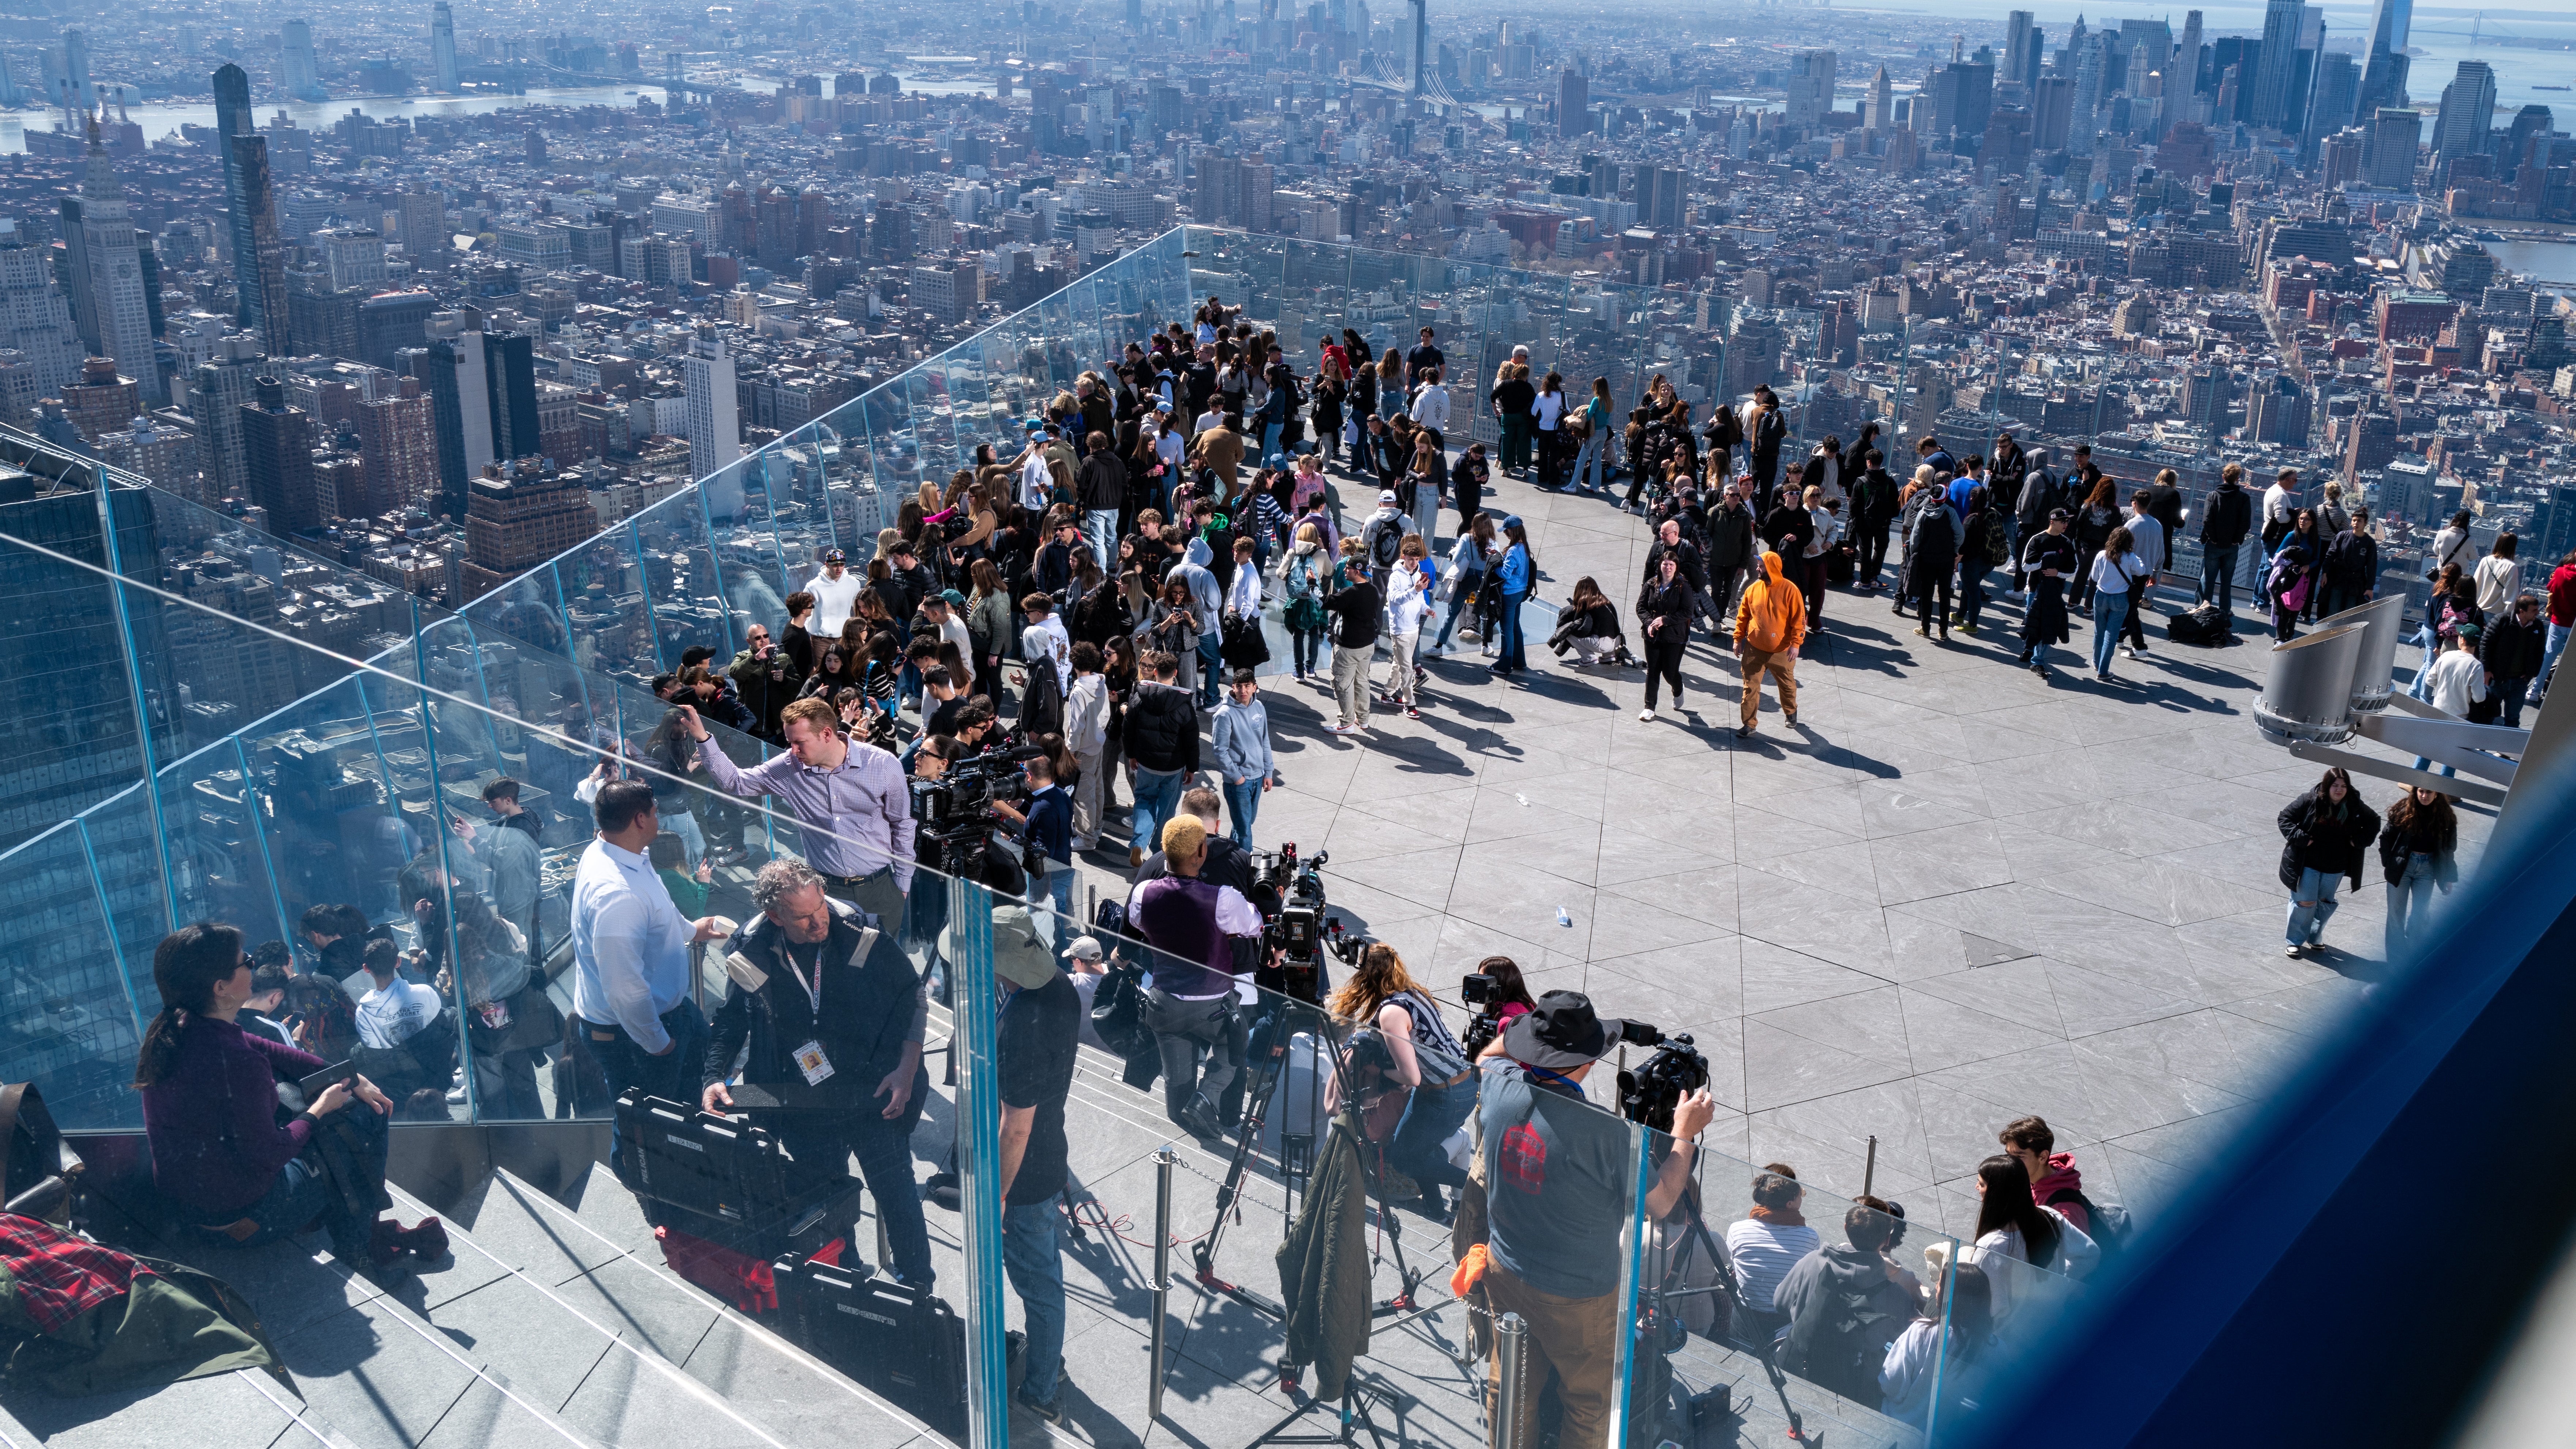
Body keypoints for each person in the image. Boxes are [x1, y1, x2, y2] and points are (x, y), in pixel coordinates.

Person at [136, 922, 440, 1283]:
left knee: (338, 1119)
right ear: (220, 987)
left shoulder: (176, 1026)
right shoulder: (236, 1062)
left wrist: (344, 1074)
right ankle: (359, 1249)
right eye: (244, 961)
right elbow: (269, 1153)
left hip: (186, 1212)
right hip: (247, 1219)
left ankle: (358, 1229)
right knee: (362, 1120)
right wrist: (319, 1109)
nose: (252, 965)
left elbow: (261, 1045)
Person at [1479, 992, 1716, 1449]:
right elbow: (1663, 1200)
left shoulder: (1496, 1080)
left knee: (1510, 1381)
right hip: (1578, 1294)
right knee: (1589, 1402)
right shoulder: (1606, 1133)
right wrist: (1684, 1133)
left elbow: (1493, 1049)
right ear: (1589, 1062)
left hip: (1505, 1268)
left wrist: (1604, 1030)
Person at [696, 858, 935, 1290]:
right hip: (803, 1102)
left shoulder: (858, 929)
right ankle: (848, 1278)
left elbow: (911, 996)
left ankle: (919, 1285)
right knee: (828, 1201)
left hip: (871, 1089)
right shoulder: (750, 950)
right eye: (803, 917)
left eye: (820, 906)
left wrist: (907, 1067)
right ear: (775, 917)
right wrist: (714, 1074)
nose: (818, 921)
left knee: (897, 1193)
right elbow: (732, 1020)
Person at [571, 781, 727, 1176]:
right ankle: (649, 1183)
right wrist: (658, 1043)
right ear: (640, 819)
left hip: (668, 1014)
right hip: (638, 1034)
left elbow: (656, 907)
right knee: (647, 1121)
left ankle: (692, 1162)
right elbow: (624, 987)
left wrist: (691, 930)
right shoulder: (616, 894)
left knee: (700, 1082)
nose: (659, 816)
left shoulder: (621, 853)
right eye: (655, 811)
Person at [679, 696, 916, 925]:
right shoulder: (790, 767)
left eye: (799, 743)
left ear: (826, 734)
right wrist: (703, 738)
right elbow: (736, 782)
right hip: (825, 894)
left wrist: (902, 887)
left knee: (882, 962)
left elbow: (903, 825)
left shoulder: (882, 764)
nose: (792, 750)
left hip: (881, 889)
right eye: (790, 742)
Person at [1126, 815, 1262, 1141]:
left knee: (1177, 1083)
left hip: (1164, 1004)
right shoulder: (1223, 899)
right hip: (1212, 1004)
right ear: (1201, 852)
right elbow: (1254, 924)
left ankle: (1183, 1123)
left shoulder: (1144, 892)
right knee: (1236, 1044)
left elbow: (1138, 922)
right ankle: (1206, 1098)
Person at [1327, 944, 1474, 1220]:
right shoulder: (1412, 994)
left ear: (1367, 979)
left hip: (1448, 1092)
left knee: (1407, 1158)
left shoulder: (1390, 1014)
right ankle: (1438, 1208)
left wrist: (1378, 1072)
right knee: (1413, 1150)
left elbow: (1411, 1077)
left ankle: (1479, 1189)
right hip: (1454, 1084)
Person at [1775, 1198, 1921, 1408]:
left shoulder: (1811, 1262)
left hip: (1800, 1363)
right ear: (1887, 1240)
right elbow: (1904, 1341)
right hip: (1852, 1384)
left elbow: (1780, 1303)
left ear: (1846, 1228)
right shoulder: (1897, 1296)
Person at [1966, 1154, 2098, 1330]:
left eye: (1982, 1184)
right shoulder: (2051, 1216)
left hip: (2012, 1342)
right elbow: (2090, 1254)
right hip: (2052, 1325)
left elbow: (1993, 1309)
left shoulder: (1990, 1246)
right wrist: (2056, 1285)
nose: (1977, 1187)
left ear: (1996, 1192)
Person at [2277, 766, 2381, 959]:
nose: (2339, 790)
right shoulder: (2309, 800)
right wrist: (2300, 837)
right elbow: (2285, 817)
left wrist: (2359, 841)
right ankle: (2295, 941)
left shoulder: (2354, 805)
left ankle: (2314, 936)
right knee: (2305, 902)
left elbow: (2374, 821)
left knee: (2325, 903)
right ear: (2327, 787)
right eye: (2335, 786)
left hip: (2336, 866)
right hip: (2307, 863)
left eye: (2343, 786)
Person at [1879, 1261, 1993, 1432]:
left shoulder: (1921, 1332)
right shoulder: (1998, 1350)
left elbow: (1891, 1384)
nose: (1936, 1288)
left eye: (1939, 1284)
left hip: (1901, 1430)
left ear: (1946, 1296)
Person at [1724, 1170, 1823, 1348]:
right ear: (1790, 1204)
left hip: (1744, 1316)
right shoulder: (1809, 1237)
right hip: (1783, 1321)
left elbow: (1732, 1266)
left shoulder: (1738, 1230)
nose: (1802, 1199)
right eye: (1800, 1195)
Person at [2378, 784, 2460, 957]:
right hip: (2403, 866)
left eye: (2429, 792)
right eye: (2421, 791)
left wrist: (2449, 877)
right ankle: (2396, 960)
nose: (2425, 796)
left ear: (2437, 793)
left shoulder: (2446, 817)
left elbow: (2449, 849)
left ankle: (2414, 954)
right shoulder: (2403, 810)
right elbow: (2386, 838)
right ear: (2415, 792)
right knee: (2396, 913)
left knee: (2420, 915)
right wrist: (2389, 862)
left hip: (2428, 869)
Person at [1735, 550, 1807, 739]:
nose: (1757, 569)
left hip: (1782, 651)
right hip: (1754, 649)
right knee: (1750, 688)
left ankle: (1791, 712)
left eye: (1761, 566)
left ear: (1772, 568)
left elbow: (1799, 620)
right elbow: (1743, 617)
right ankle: (1749, 724)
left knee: (1788, 686)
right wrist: (1737, 639)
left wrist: (1796, 644)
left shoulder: (1791, 590)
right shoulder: (1753, 589)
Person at [1211, 669, 1276, 849]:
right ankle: (1245, 868)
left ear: (1255, 687)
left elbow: (1265, 741)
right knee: (1245, 830)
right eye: (1239, 686)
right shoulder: (1224, 714)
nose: (1243, 691)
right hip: (1239, 782)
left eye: (1248, 686)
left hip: (1258, 776)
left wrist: (1268, 773)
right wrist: (1237, 778)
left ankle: (1231, 856)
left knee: (1246, 823)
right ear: (1233, 687)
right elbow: (1219, 750)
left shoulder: (1259, 707)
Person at [1997, 1115, 2091, 1233]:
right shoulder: (2028, 1179)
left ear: (2043, 1157)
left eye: (2019, 1157)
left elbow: (2080, 1251)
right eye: (2009, 1155)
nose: (2010, 1162)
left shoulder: (2064, 1210)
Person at [1325, 552, 1383, 736]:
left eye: (1348, 568)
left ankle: (1346, 723)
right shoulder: (1373, 590)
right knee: (1362, 681)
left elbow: (1325, 602)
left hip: (1348, 649)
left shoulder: (1351, 593)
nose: (1345, 571)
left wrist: (1312, 584)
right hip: (1367, 646)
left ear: (1357, 572)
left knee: (1342, 683)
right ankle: (1363, 719)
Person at [2018, 509, 2077, 678]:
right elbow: (2025, 566)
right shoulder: (2037, 540)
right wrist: (2043, 563)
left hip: (2054, 593)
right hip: (2035, 589)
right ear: (2052, 521)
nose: (2066, 524)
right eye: (2062, 521)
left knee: (2047, 627)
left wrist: (2057, 572)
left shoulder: (2067, 543)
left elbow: (2074, 568)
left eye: (2067, 521)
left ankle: (2037, 661)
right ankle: (2029, 649)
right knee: (2032, 622)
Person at [1636, 553, 1693, 721]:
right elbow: (1641, 607)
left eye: (1671, 565)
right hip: (1653, 635)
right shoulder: (1651, 584)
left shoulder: (1683, 586)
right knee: (1653, 670)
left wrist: (1665, 620)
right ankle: (1649, 707)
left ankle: (1678, 689)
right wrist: (1649, 623)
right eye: (1665, 564)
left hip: (1675, 637)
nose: (1668, 568)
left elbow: (1687, 612)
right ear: (1660, 566)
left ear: (1676, 568)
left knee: (1670, 672)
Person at [2196, 462, 2254, 623]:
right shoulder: (2244, 498)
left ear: (2223, 477)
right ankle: (2225, 611)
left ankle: (2203, 607)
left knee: (2209, 578)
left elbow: (2207, 520)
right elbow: (2245, 523)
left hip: (2214, 545)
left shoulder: (2213, 495)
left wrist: (2214, 538)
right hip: (2232, 546)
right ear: (2238, 479)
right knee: (2227, 581)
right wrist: (2235, 540)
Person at [2089, 526, 2148, 682]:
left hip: (2101, 596)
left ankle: (2096, 663)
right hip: (2120, 599)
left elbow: (2094, 577)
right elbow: (2141, 571)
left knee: (2099, 633)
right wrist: (2137, 558)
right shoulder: (2129, 557)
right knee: (2111, 636)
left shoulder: (2101, 555)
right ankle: (2103, 671)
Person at [1382, 536, 1431, 720]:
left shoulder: (1418, 576)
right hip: (1400, 629)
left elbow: (1420, 601)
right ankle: (1409, 703)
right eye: (1411, 559)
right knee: (1407, 669)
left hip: (1414, 627)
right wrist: (1415, 591)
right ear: (1404, 557)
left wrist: (1427, 609)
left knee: (1400, 663)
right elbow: (1394, 600)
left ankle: (1387, 694)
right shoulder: (1395, 577)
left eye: (1417, 560)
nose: (1414, 563)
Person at [1905, 481, 1959, 643]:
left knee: (1927, 594)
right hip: (1946, 559)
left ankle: (1926, 628)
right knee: (1945, 596)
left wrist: (1916, 552)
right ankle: (1943, 631)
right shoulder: (1950, 513)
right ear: (1945, 498)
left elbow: (1915, 537)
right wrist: (1955, 549)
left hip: (1927, 559)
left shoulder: (1923, 513)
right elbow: (1960, 534)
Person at [2486, 593, 2547, 729]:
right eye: (2534, 610)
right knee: (2488, 715)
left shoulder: (2537, 626)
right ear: (2522, 611)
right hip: (2498, 678)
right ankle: (2480, 746)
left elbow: (2540, 651)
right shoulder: (2502, 620)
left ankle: (2506, 750)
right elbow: (2486, 644)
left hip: (2520, 681)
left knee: (2513, 719)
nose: (2538, 613)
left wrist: (2532, 672)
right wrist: (2487, 671)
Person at [2317, 507, 2378, 622]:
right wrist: (2325, 574)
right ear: (2351, 522)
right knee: (2333, 611)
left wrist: (2370, 588)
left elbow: (2372, 567)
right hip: (2338, 578)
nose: (2356, 523)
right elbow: (2330, 555)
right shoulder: (2342, 536)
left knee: (2349, 614)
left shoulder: (2370, 543)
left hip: (2356, 582)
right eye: (2354, 520)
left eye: (2360, 521)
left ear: (2365, 523)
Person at [1492, 515, 1535, 677]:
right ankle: (1519, 661)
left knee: (1506, 630)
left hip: (1509, 594)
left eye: (1506, 531)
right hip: (1521, 592)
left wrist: (1493, 565)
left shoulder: (1513, 550)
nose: (1505, 534)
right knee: (1515, 626)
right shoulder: (1524, 547)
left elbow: (1505, 574)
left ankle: (1504, 665)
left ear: (1512, 530)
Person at [804, 547, 863, 638]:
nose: (839, 569)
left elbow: (859, 608)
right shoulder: (813, 587)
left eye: (842, 564)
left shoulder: (854, 583)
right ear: (827, 565)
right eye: (835, 565)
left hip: (845, 636)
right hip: (821, 639)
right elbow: (803, 612)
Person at [2476, 532, 2524, 618]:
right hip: (2496, 615)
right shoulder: (2511, 567)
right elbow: (2511, 597)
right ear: (2513, 547)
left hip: (2478, 611)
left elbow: (2476, 584)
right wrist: (2507, 617)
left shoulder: (2485, 560)